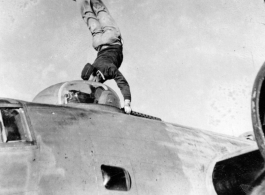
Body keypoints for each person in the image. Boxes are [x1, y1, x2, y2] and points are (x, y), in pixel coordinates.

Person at [74, 0, 132, 114]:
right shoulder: (95, 74)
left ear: (95, 74)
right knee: (89, 16)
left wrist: (127, 103)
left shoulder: (109, 68)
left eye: (95, 81)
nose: (96, 83)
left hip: (112, 39)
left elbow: (123, 83)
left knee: (101, 12)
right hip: (98, 42)